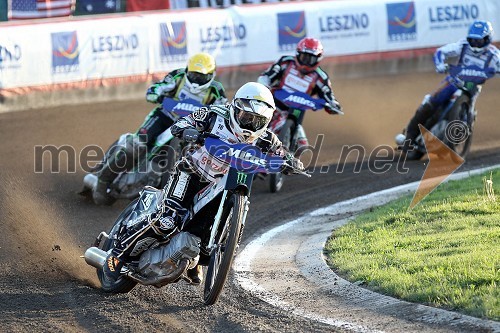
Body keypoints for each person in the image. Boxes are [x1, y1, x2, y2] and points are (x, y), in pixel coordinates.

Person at [102, 82, 305, 285]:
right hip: (191, 172)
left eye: (257, 121)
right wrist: (191, 132)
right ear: (235, 107)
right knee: (168, 219)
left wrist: (292, 162)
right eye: (246, 117)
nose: (250, 125)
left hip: (222, 183)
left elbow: (282, 153)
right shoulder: (213, 114)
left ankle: (194, 257)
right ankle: (118, 254)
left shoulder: (266, 138)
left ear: (267, 120)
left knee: (208, 228)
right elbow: (180, 125)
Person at [93, 52, 227, 205]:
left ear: (211, 75)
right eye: (193, 75)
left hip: (192, 125)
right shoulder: (177, 76)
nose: (196, 80)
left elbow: (222, 110)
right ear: (187, 70)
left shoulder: (217, 89)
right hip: (165, 117)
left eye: (201, 76)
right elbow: (157, 87)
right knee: (137, 144)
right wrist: (156, 94)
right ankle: (103, 180)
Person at [400, 20, 500, 156]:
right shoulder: (463, 45)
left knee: (469, 113)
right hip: (453, 80)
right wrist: (440, 64)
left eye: (479, 41)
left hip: (472, 85)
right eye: (473, 40)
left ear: (487, 39)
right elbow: (441, 51)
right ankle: (410, 136)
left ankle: (462, 128)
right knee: (432, 100)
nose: (475, 45)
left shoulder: (494, 55)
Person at [257, 36, 342, 148]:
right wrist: (264, 84)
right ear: (297, 54)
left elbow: (328, 94)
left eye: (310, 59)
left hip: (297, 109)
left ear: (318, 59)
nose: (306, 62)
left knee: (302, 145)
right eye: (304, 57)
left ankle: (293, 147)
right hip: (274, 100)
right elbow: (268, 75)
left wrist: (333, 104)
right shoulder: (285, 61)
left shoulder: (320, 77)